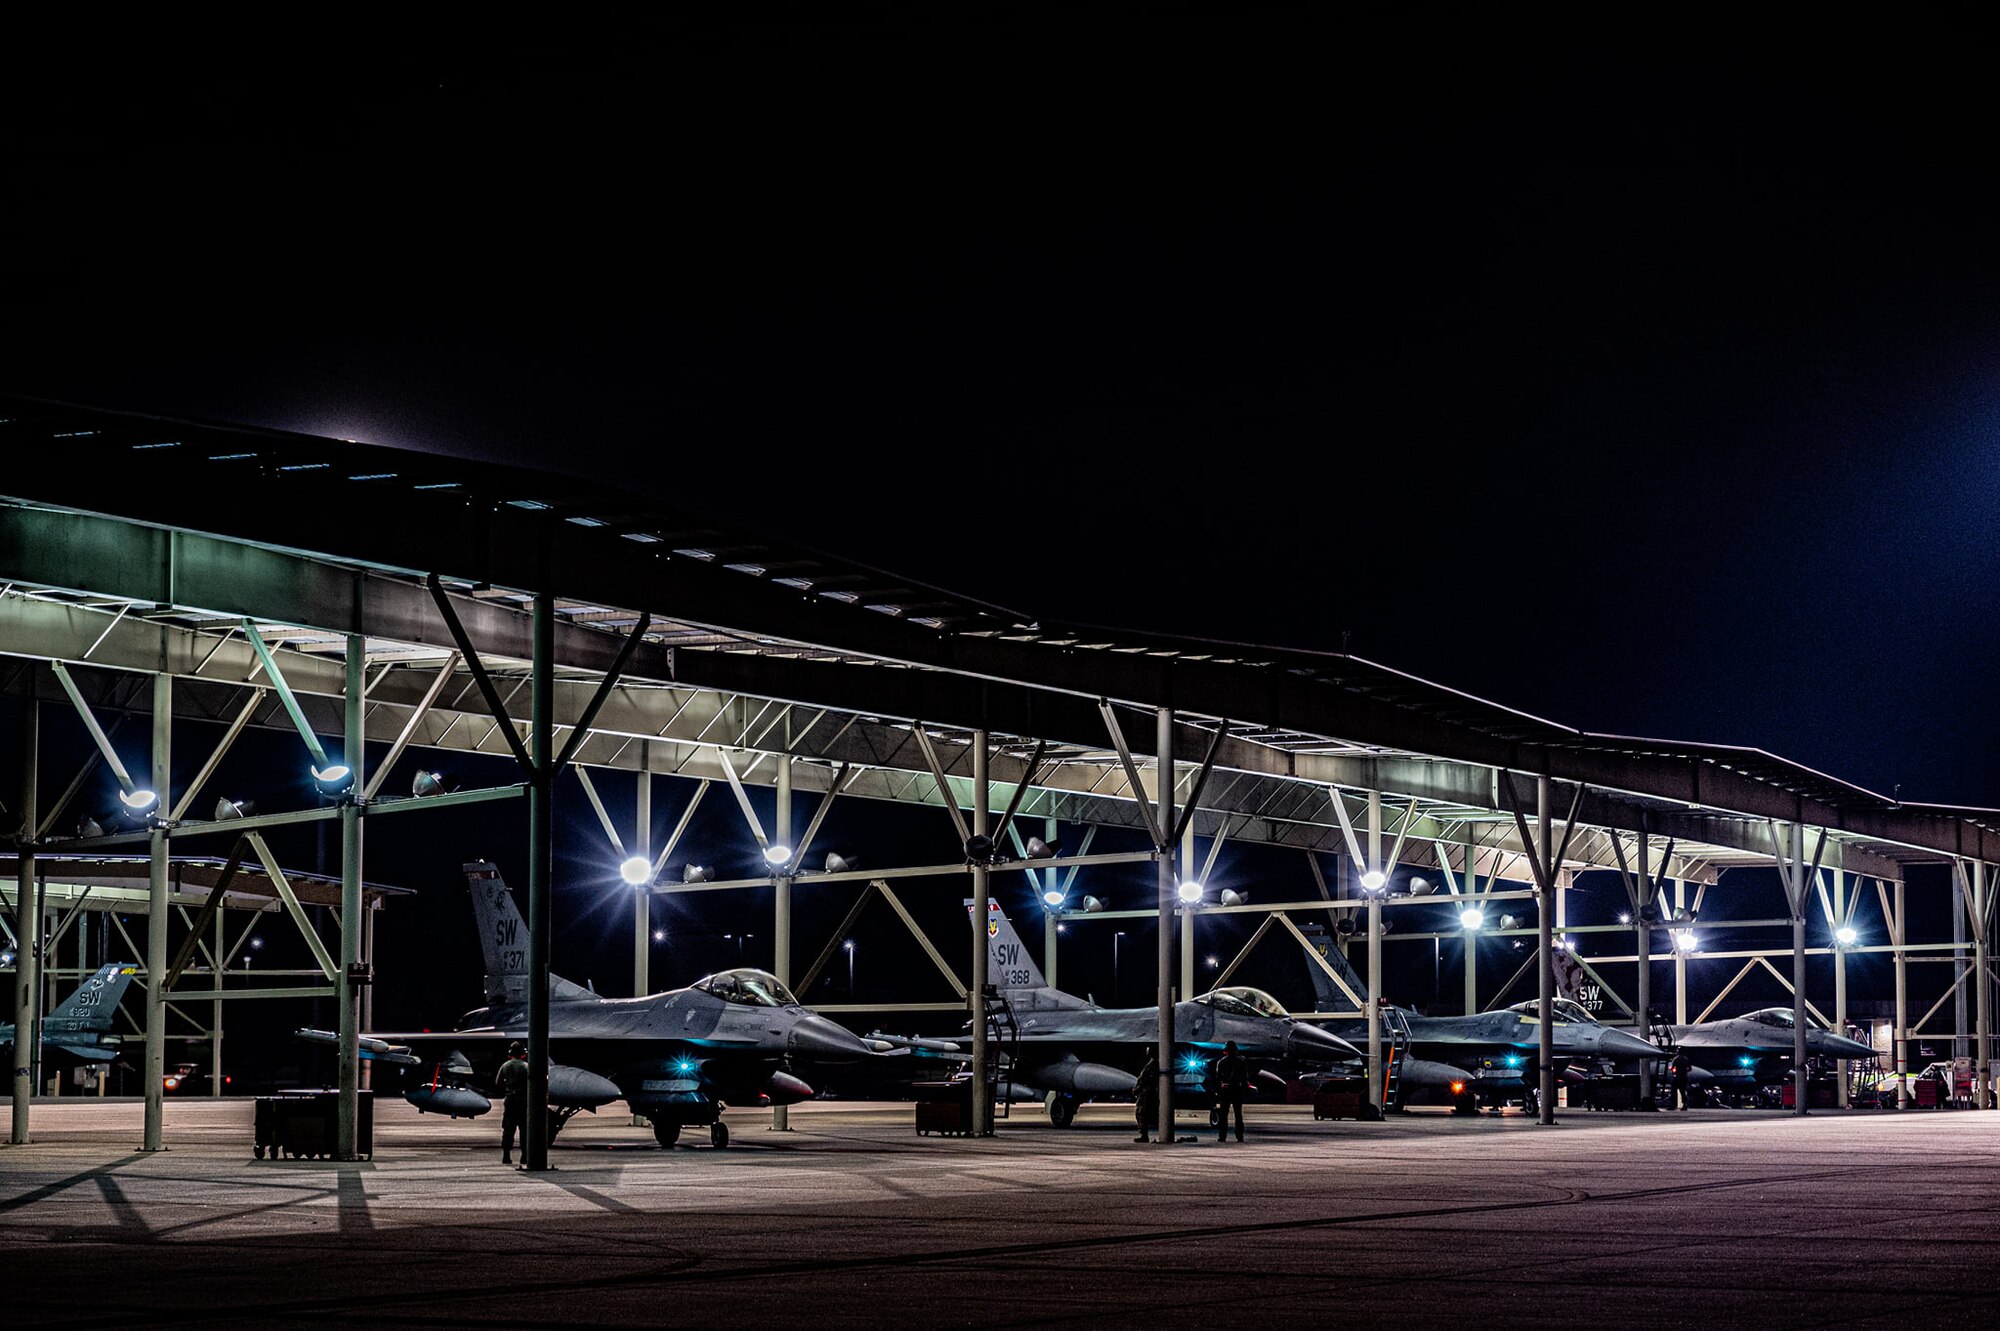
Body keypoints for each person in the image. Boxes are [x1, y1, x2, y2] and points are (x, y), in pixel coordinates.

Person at [496, 1040, 529, 1164]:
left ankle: (506, 1156)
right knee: (524, 1129)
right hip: (523, 1102)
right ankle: (525, 1156)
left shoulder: (505, 1065)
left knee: (508, 1129)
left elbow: (498, 1082)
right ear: (522, 1053)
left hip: (510, 1102)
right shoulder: (526, 1067)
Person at [1214, 1040, 1249, 1142]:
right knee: (1238, 1114)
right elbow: (1244, 1078)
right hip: (1237, 1090)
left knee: (1223, 1115)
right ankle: (1239, 1135)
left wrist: (1218, 1091)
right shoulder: (1241, 1062)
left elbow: (1218, 1077)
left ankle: (1222, 1136)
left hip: (1225, 1090)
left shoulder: (1221, 1062)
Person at [1132, 1048, 1159, 1142]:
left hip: (1146, 1094)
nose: (1146, 1052)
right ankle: (1144, 1134)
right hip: (1147, 1093)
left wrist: (1137, 1089)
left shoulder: (1151, 1065)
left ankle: (1144, 1135)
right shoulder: (1154, 1064)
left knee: (1141, 1113)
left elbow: (1144, 1079)